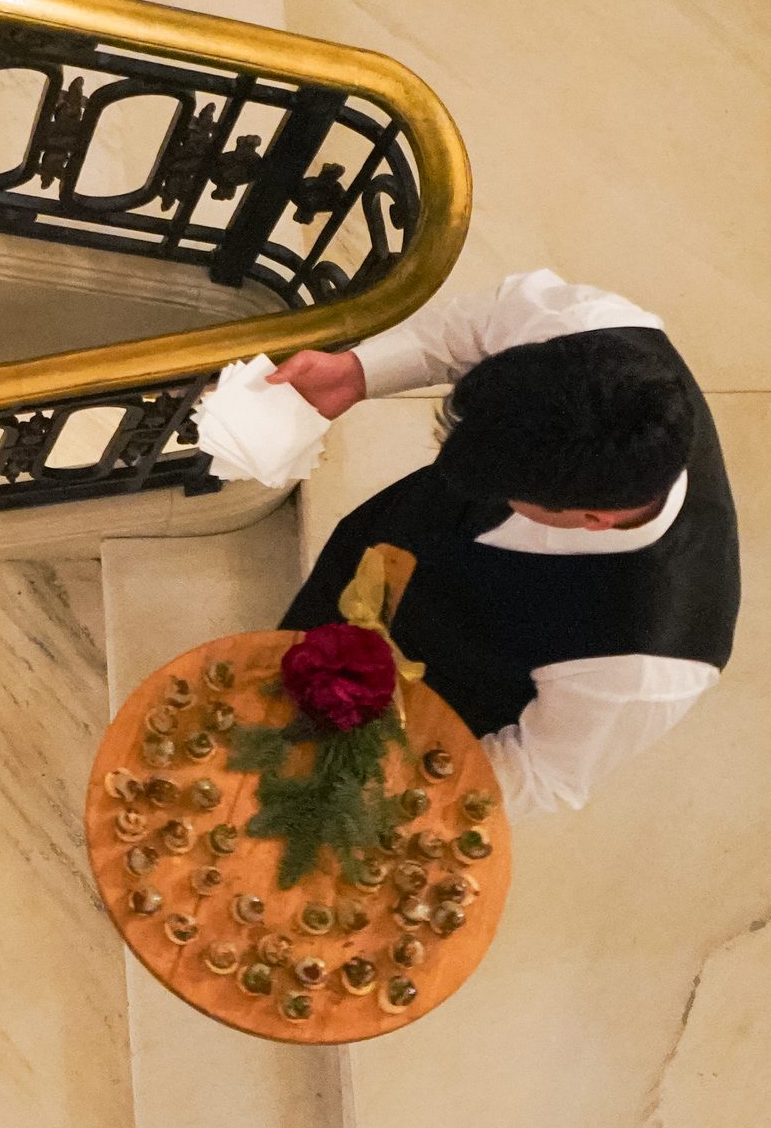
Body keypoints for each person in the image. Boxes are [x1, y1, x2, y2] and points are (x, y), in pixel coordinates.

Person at [269, 270, 739, 819]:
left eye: (509, 495)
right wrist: (358, 371)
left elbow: (542, 773)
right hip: (380, 554)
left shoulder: (647, 656)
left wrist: (387, 787)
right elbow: (483, 324)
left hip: (441, 701)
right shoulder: (591, 329)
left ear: (594, 517)